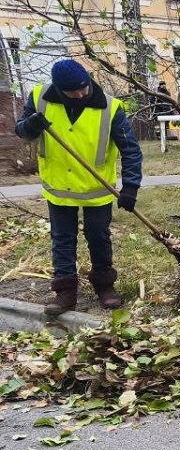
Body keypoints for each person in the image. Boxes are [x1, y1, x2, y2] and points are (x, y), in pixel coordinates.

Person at [15, 59, 143, 315]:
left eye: (85, 87)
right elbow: (22, 131)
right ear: (61, 89)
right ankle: (65, 293)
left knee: (99, 237)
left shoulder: (110, 107)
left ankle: (105, 286)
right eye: (75, 91)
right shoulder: (40, 97)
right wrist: (31, 126)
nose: (83, 93)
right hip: (58, 187)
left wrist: (130, 187)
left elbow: (131, 150)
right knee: (62, 240)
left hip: (97, 190)